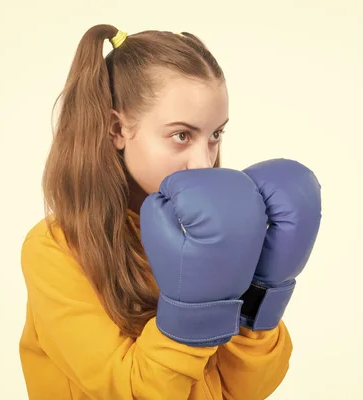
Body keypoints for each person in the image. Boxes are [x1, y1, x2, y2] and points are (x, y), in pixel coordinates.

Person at [19, 24, 322, 400]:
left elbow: (245, 390)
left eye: (215, 135)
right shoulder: (56, 250)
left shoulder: (210, 229)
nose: (203, 162)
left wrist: (262, 296)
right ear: (117, 129)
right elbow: (131, 392)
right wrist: (191, 313)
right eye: (182, 135)